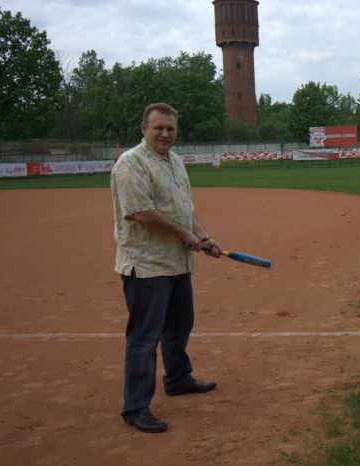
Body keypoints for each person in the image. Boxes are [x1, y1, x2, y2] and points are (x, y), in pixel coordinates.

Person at [111, 103, 222, 433]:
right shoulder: (130, 164)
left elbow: (185, 208)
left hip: (177, 263)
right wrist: (186, 235)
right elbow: (142, 212)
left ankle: (177, 378)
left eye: (170, 129)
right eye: (158, 128)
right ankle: (135, 407)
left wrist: (204, 236)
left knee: (179, 326)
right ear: (143, 128)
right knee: (144, 338)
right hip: (147, 266)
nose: (165, 134)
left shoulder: (174, 162)